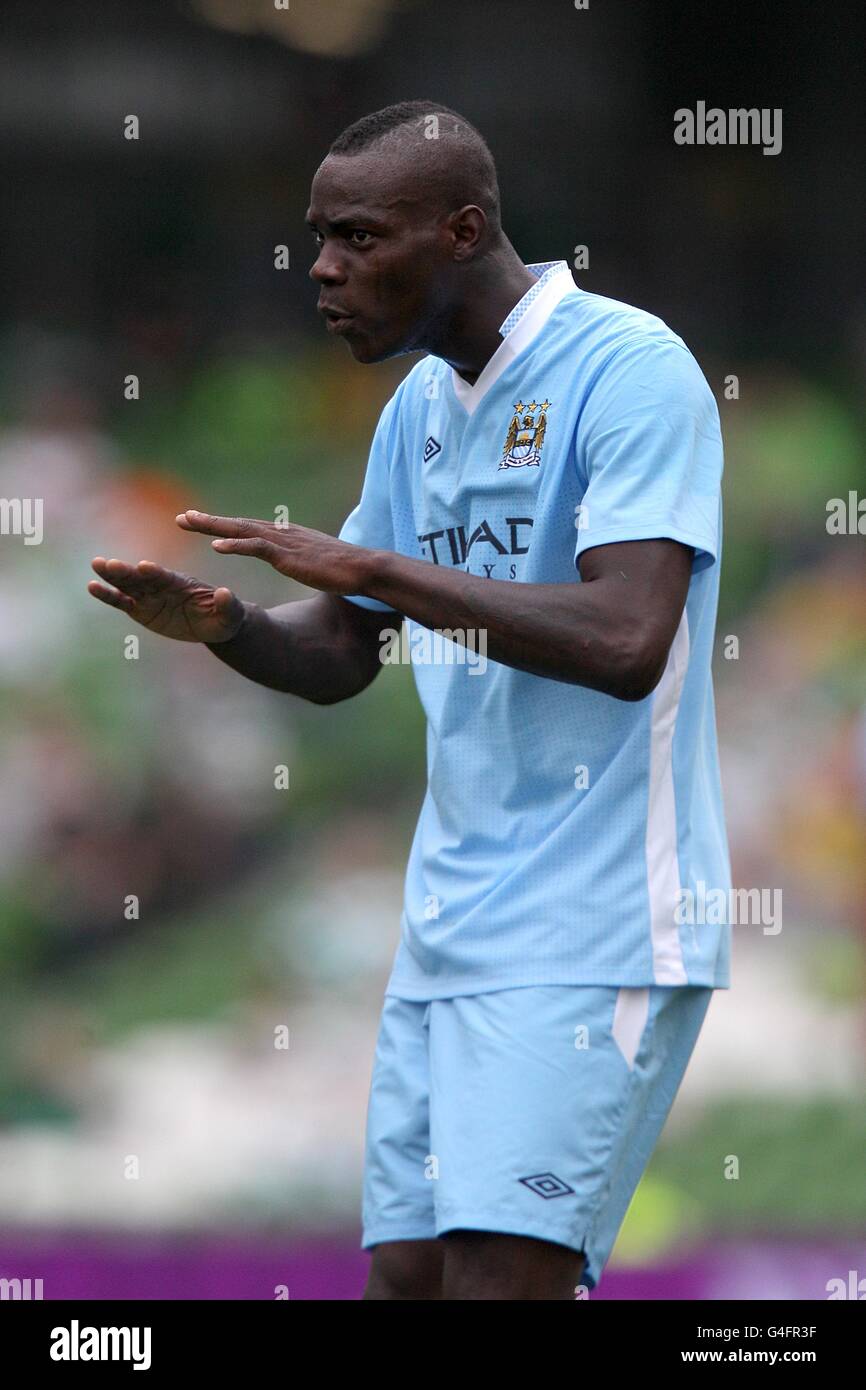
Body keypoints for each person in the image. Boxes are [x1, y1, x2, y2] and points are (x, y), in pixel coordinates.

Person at [88, 100, 732, 1301]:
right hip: (449, 925)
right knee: (410, 1280)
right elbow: (340, 649)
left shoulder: (627, 368)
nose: (321, 270)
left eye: (356, 238)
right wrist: (225, 627)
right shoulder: (419, 414)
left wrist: (375, 568)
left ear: (460, 230)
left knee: (498, 1282)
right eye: (316, 238)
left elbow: (627, 638)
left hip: (591, 925)